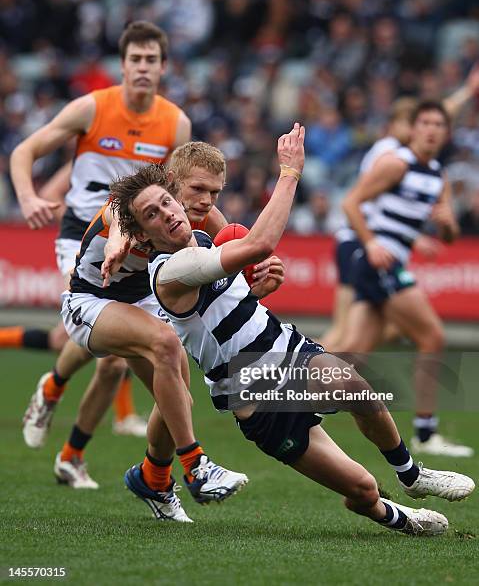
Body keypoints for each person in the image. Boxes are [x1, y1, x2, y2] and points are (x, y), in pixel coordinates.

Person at [111, 123, 474, 535]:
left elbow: (238, 291)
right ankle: (387, 512)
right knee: (362, 487)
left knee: (353, 385)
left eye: (166, 204)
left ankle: (411, 476)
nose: (172, 212)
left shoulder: (203, 236)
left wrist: (257, 286)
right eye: (153, 214)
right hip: (256, 397)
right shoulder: (170, 270)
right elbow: (260, 243)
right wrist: (290, 172)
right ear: (142, 232)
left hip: (288, 353)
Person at [25, 142, 274, 489]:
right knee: (160, 344)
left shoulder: (208, 218)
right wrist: (116, 242)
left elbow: (235, 262)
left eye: (215, 193)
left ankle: (152, 479)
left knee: (177, 401)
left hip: (143, 299)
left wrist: (262, 273)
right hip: (90, 298)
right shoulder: (140, 205)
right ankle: (195, 464)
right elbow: (117, 215)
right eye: (198, 189)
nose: (205, 201)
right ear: (172, 181)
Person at [9, 20, 192, 438]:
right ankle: (59, 400)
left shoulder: (175, 123)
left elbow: (177, 192)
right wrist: (28, 197)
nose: (143, 67)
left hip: (138, 240)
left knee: (113, 360)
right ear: (122, 66)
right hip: (82, 236)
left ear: (163, 67)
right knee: (111, 354)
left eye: (151, 59)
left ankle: (67, 435)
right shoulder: (93, 107)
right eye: (135, 59)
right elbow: (25, 151)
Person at [341, 100, 473, 457]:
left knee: (354, 353)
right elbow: (351, 202)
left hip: (388, 262)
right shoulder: (396, 164)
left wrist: (446, 223)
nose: (431, 129)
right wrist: (370, 244)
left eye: (438, 124)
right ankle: (426, 433)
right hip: (381, 263)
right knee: (432, 336)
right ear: (412, 128)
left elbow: (449, 237)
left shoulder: (438, 176)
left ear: (446, 133)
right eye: (425, 122)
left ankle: (286, 403)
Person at [321, 64, 479, 352]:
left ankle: (305, 380)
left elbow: (388, 206)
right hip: (359, 241)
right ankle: (292, 374)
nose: (424, 129)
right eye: (416, 123)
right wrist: (467, 91)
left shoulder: (415, 163)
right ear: (398, 125)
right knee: (346, 336)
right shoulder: (390, 153)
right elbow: (359, 203)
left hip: (367, 241)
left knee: (357, 340)